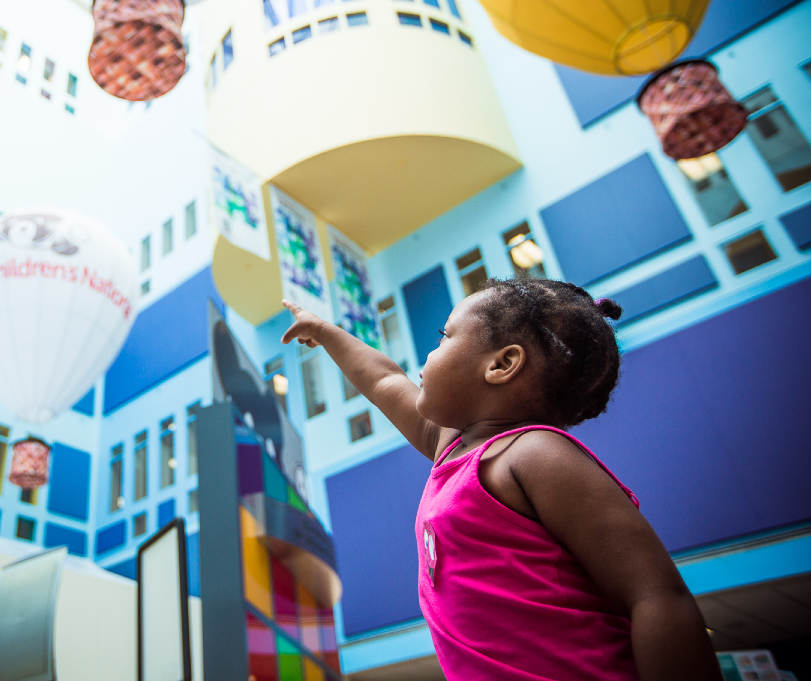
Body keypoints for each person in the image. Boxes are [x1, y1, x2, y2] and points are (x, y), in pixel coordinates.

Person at [281, 278, 719, 681]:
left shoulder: (536, 454)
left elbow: (657, 596)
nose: (429, 355)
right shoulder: (451, 447)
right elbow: (384, 379)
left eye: (445, 337)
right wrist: (324, 331)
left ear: (502, 364)